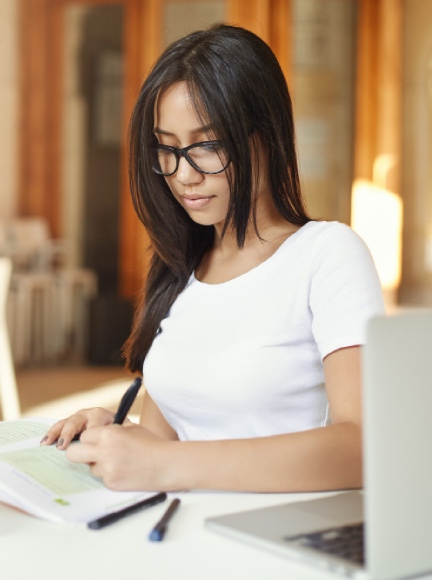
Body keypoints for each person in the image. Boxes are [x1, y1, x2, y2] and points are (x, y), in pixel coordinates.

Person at [41, 24, 385, 493]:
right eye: (167, 147)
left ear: (267, 136)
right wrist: (115, 437)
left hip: (275, 540)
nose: (183, 174)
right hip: (179, 530)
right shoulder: (179, 267)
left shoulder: (327, 255)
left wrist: (165, 463)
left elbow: (361, 449)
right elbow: (168, 441)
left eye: (207, 145)